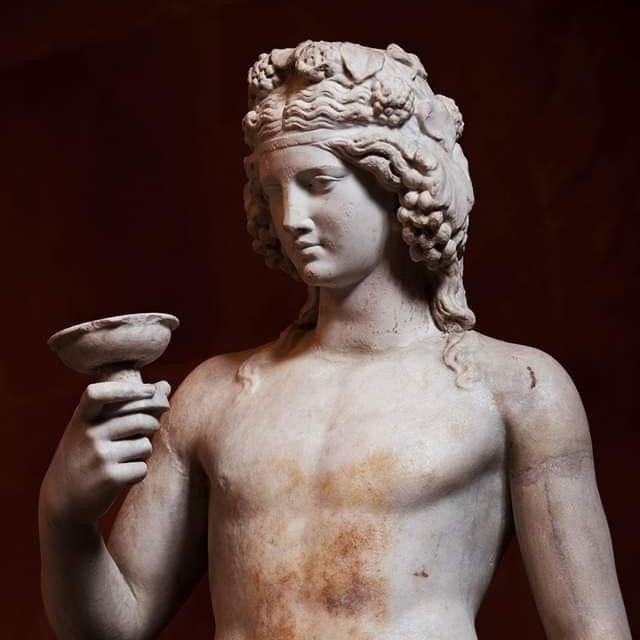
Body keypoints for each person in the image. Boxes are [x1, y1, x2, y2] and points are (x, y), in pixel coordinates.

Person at [38, 41, 631, 640]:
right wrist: (65, 515)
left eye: (317, 182)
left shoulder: (512, 390)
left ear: (397, 181)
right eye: (273, 190)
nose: (289, 217)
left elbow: (592, 631)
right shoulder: (214, 397)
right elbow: (111, 631)